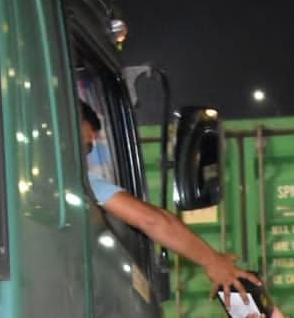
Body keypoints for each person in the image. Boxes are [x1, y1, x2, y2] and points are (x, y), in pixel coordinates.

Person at [79, 100, 257, 302]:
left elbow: (155, 218)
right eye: (83, 147)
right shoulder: (74, 183)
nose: (83, 158)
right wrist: (212, 261)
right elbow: (151, 220)